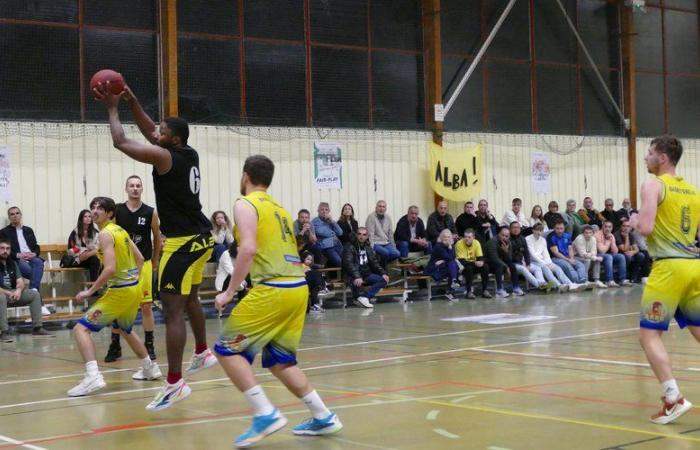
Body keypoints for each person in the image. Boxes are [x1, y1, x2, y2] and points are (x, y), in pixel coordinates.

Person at [94, 82, 216, 411]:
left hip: (182, 242)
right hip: (203, 236)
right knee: (190, 298)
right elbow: (151, 133)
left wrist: (112, 107)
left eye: (161, 130)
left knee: (172, 310)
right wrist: (133, 98)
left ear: (171, 138)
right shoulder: (186, 151)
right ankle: (203, 351)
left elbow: (121, 141)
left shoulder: (164, 156)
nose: (155, 131)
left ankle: (174, 384)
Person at [214, 155, 342, 446]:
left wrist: (229, 291)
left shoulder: (244, 203)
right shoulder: (281, 209)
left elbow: (246, 250)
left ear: (245, 175)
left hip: (273, 287)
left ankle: (265, 413)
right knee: (280, 361)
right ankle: (323, 415)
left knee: (227, 350)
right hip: (298, 286)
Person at [627, 135, 700, 424]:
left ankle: (673, 398)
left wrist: (634, 222)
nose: (645, 157)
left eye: (649, 152)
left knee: (648, 335)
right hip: (693, 267)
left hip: (668, 269)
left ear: (663, 158)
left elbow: (645, 227)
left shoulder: (653, 185)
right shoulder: (692, 190)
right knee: (697, 328)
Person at [67, 197, 161, 397]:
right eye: (93, 207)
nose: (94, 210)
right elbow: (140, 258)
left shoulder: (106, 234)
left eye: (100, 208)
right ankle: (150, 367)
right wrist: (133, 275)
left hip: (119, 291)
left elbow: (109, 269)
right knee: (126, 329)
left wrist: (89, 291)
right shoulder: (120, 230)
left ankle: (92, 376)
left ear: (110, 213)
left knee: (80, 329)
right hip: (132, 288)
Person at [105, 175, 163, 363]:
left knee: (146, 306)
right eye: (132, 185)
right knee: (119, 306)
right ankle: (115, 345)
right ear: (126, 188)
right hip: (123, 266)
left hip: (143, 263)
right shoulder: (117, 211)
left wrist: (155, 262)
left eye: (138, 186)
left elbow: (157, 238)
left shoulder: (150, 212)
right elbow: (110, 237)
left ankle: (149, 344)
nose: (135, 188)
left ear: (142, 189)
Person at [0, 239, 53, 342]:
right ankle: (4, 332)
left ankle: (37, 328)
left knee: (34, 294)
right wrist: (8, 292)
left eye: (7, 248)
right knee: (1, 297)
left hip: (13, 293)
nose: (5, 251)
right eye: (2, 248)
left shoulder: (13, 263)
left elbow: (20, 282)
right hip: (2, 294)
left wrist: (18, 291)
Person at [342, 227, 388, 309]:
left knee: (384, 280)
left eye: (364, 235)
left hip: (366, 274)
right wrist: (357, 276)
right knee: (356, 294)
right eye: (359, 234)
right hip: (352, 275)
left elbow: (374, 262)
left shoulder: (368, 247)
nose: (361, 236)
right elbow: (349, 264)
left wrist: (383, 273)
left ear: (367, 236)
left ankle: (365, 297)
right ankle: (359, 298)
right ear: (356, 235)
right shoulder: (349, 246)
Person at [0, 207, 44, 292]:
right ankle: (35, 294)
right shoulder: (4, 232)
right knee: (35, 275)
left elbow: (36, 246)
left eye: (17, 213)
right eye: (12, 214)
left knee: (39, 262)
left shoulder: (28, 230)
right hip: (17, 260)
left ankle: (33, 292)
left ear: (21, 215)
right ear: (9, 217)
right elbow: (2, 250)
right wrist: (17, 255)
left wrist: (34, 254)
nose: (15, 216)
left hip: (32, 258)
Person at [526, 223, 579, 293]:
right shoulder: (528, 239)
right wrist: (544, 263)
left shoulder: (543, 240)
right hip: (533, 261)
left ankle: (570, 284)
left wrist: (549, 262)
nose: (539, 232)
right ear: (533, 230)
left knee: (557, 268)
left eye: (541, 230)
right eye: (537, 230)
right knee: (546, 268)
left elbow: (545, 253)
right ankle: (558, 285)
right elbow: (532, 254)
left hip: (543, 260)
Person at [547, 221, 588, 285]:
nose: (560, 231)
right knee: (568, 266)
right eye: (557, 228)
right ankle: (577, 282)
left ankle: (583, 281)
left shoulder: (567, 235)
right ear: (554, 228)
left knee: (580, 265)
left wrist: (571, 258)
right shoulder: (551, 237)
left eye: (561, 228)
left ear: (564, 228)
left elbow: (570, 248)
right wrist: (568, 260)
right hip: (556, 258)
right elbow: (556, 253)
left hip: (568, 257)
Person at [509, 222, 547, 291]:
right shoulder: (507, 239)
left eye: (517, 227)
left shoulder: (522, 239)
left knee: (537, 268)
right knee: (524, 269)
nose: (516, 229)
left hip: (521, 263)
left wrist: (528, 263)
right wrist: (522, 264)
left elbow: (526, 253)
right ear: (510, 229)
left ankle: (542, 283)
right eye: (514, 227)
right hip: (512, 264)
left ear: (520, 229)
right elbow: (509, 256)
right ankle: (540, 285)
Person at [66, 209, 101, 281]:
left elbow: (99, 247)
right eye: (85, 216)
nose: (88, 218)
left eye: (89, 216)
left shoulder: (96, 232)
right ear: (81, 219)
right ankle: (94, 289)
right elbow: (70, 250)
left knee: (96, 259)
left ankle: (93, 287)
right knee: (95, 257)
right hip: (78, 260)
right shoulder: (75, 232)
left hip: (92, 259)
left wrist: (92, 250)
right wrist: (85, 250)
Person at [455, 229, 491, 299]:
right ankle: (469, 292)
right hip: (462, 266)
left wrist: (481, 262)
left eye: (469, 237)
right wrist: (475, 263)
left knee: (485, 266)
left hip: (473, 264)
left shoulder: (476, 243)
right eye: (465, 237)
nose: (466, 239)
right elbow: (462, 261)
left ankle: (485, 290)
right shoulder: (459, 244)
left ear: (473, 237)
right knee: (469, 268)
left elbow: (480, 257)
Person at [484, 226, 519, 298]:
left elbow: (509, 259)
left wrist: (506, 251)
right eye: (502, 235)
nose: (504, 238)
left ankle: (516, 288)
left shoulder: (508, 242)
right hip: (488, 264)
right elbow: (494, 258)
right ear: (498, 234)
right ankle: (499, 289)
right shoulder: (492, 242)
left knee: (512, 265)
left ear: (509, 237)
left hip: (500, 263)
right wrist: (506, 267)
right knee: (499, 266)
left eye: (506, 236)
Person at [424, 229, 460, 296]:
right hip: (435, 267)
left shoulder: (451, 245)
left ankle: (452, 286)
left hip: (445, 265)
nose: (446, 238)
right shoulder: (438, 246)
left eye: (448, 237)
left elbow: (453, 257)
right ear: (441, 237)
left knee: (452, 265)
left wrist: (444, 260)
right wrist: (449, 249)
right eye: (444, 236)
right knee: (453, 265)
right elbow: (449, 257)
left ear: (451, 238)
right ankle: (453, 284)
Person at [595, 221, 630, 287]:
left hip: (605, 255)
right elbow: (601, 251)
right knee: (608, 257)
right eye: (605, 227)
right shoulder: (597, 235)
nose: (607, 229)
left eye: (609, 227)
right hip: (596, 254)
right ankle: (609, 281)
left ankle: (622, 280)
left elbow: (615, 252)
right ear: (602, 227)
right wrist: (608, 241)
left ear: (612, 228)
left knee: (621, 256)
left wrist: (612, 241)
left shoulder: (611, 235)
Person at [365, 200, 400, 265]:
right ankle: (382, 269)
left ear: (385, 209)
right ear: (376, 208)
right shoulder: (371, 217)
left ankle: (380, 264)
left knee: (397, 253)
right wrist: (371, 249)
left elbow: (390, 234)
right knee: (385, 253)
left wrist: (394, 247)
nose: (381, 208)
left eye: (383, 207)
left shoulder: (388, 217)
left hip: (386, 243)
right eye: (379, 206)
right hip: (376, 243)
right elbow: (370, 234)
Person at [615, 219, 648, 284]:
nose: (626, 228)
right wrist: (626, 237)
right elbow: (624, 249)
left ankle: (633, 276)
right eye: (624, 226)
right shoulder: (617, 234)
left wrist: (633, 252)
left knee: (641, 255)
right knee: (628, 257)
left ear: (630, 228)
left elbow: (636, 249)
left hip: (629, 253)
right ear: (621, 227)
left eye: (628, 226)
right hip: (619, 254)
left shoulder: (631, 234)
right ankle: (625, 276)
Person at [312, 203, 343, 267]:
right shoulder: (315, 222)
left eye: (326, 210)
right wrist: (333, 233)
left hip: (338, 244)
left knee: (347, 260)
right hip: (327, 247)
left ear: (329, 211)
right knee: (339, 261)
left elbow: (340, 233)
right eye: (322, 209)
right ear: (318, 211)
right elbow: (323, 233)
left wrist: (332, 221)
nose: (324, 211)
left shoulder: (330, 221)